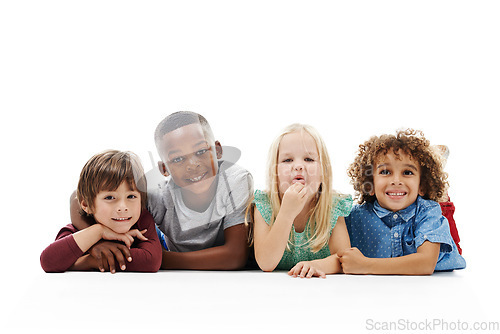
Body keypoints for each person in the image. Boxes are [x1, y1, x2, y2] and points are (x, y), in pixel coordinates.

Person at [342, 129, 466, 275]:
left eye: (407, 172)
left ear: (422, 186)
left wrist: (365, 265)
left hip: (441, 250)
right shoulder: (353, 217)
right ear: (370, 185)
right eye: (385, 172)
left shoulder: (428, 211)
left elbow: (425, 264)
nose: (396, 181)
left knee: (443, 207)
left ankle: (439, 168)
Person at [250, 123, 352, 278]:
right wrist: (286, 214)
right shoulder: (265, 204)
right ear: (274, 172)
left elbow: (344, 259)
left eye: (309, 159)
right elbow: (266, 263)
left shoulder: (334, 206)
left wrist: (315, 265)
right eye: (288, 160)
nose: (298, 166)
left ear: (323, 171)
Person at [41, 150, 162, 273]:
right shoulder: (77, 231)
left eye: (131, 196)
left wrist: (88, 261)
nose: (123, 207)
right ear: (86, 205)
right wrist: (99, 231)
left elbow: (151, 261)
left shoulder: (142, 220)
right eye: (109, 198)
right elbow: (48, 262)